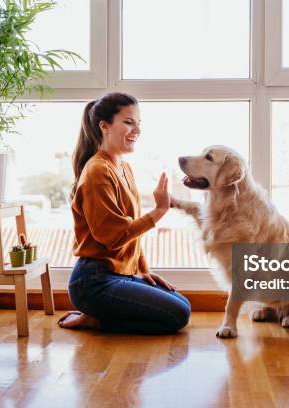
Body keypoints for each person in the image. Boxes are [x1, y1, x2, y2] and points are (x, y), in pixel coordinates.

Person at [58, 92, 191, 334]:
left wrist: (143, 270)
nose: (137, 130)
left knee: (183, 305)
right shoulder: (97, 171)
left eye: (138, 123)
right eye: (129, 122)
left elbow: (132, 235)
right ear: (104, 126)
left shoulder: (123, 167)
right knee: (177, 315)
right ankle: (95, 319)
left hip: (120, 273)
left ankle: (99, 315)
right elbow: (114, 236)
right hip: (93, 281)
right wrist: (160, 210)